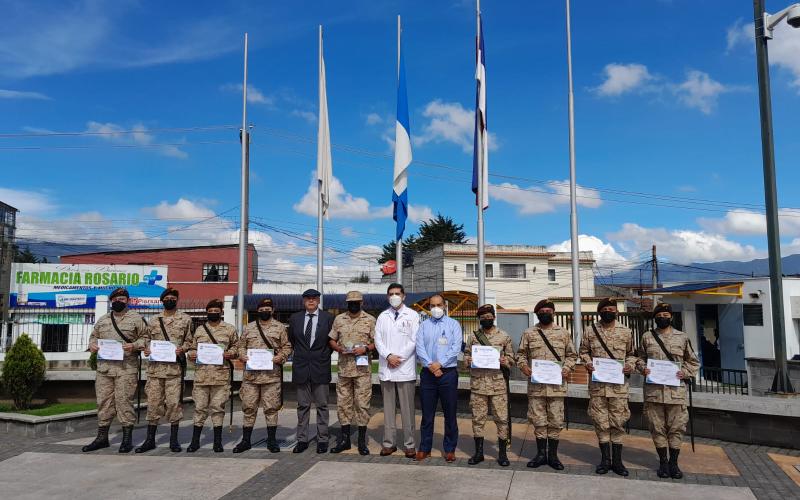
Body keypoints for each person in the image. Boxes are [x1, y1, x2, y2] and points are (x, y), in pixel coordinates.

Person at [637, 302, 700, 479]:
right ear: (655, 317)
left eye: (666, 315)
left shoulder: (682, 337)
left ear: (671, 317)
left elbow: (693, 361)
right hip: (654, 393)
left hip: (676, 393)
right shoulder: (647, 337)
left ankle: (674, 463)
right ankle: (663, 462)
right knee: (657, 429)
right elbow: (639, 359)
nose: (662, 318)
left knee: (676, 429)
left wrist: (684, 372)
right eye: (659, 315)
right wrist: (644, 369)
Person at [83, 288, 147, 453]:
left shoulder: (136, 318)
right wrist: (92, 344)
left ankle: (127, 439)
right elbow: (93, 336)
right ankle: (102, 438)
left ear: (128, 301)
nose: (119, 301)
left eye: (122, 299)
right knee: (104, 402)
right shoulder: (103, 319)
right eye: (116, 299)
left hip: (126, 369)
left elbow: (146, 338)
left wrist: (134, 345)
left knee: (124, 402)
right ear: (112, 301)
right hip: (105, 369)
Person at [516, 299, 577, 470]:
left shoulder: (563, 333)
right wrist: (524, 367)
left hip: (557, 387)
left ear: (553, 313)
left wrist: (566, 369)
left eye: (548, 311)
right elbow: (520, 354)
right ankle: (541, 454)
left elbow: (572, 355)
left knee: (556, 421)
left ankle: (553, 456)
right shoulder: (529, 333)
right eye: (542, 311)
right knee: (539, 420)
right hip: (537, 387)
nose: (545, 314)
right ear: (537, 314)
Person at [579, 298, 637, 476]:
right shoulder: (590, 330)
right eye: (605, 309)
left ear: (617, 312)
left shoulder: (626, 332)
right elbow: (583, 351)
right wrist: (588, 363)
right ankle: (605, 460)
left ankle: (618, 462)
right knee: (600, 422)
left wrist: (630, 365)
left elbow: (632, 354)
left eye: (611, 309)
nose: (608, 311)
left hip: (618, 388)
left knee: (618, 423)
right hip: (598, 387)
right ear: (599, 312)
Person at [136, 288, 192, 453]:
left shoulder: (185, 319)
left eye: (173, 298)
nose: (170, 300)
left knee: (174, 404)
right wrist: (146, 349)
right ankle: (150, 440)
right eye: (167, 298)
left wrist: (182, 349)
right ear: (162, 300)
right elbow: (146, 340)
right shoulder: (153, 320)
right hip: (155, 371)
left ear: (177, 300)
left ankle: (173, 440)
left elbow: (190, 340)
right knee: (153, 404)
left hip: (175, 371)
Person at [234, 297, 292, 454]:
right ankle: (246, 441)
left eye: (268, 309)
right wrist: (242, 356)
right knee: (248, 408)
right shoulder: (249, 328)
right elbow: (240, 346)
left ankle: (272, 441)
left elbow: (287, 347)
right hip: (251, 378)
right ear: (257, 311)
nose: (264, 311)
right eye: (262, 309)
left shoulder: (280, 327)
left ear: (272, 310)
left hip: (271, 377)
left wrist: (281, 357)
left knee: (271, 409)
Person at [463, 304, 515, 467]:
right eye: (483, 317)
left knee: (501, 419)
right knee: (478, 419)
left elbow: (512, 358)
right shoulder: (473, 337)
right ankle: (479, 453)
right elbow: (466, 355)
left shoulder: (504, 336)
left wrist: (505, 361)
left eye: (489, 316)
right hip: (478, 386)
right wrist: (468, 361)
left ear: (494, 317)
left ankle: (502, 454)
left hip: (498, 385)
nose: (486, 319)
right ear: (479, 319)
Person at [414, 294, 463, 462]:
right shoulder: (423, 326)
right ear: (429, 307)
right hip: (428, 374)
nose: (436, 308)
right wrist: (431, 365)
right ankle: (424, 448)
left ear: (445, 306)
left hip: (447, 374)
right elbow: (419, 347)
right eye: (432, 305)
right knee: (427, 414)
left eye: (439, 305)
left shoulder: (453, 325)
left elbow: (456, 347)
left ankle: (450, 449)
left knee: (450, 413)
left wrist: (440, 364)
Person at [374, 283, 420, 458]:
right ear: (387, 297)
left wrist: (398, 357)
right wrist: (388, 356)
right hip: (387, 368)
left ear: (404, 296)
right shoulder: (382, 316)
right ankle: (389, 443)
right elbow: (378, 340)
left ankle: (409, 444)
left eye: (397, 293)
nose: (394, 296)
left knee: (407, 410)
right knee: (388, 409)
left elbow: (414, 340)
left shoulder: (413, 315)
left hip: (404, 368)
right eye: (391, 294)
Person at [186, 299, 238, 453]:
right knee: (199, 408)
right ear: (206, 312)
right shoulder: (200, 330)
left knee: (217, 409)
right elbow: (191, 348)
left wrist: (231, 353)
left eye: (216, 311)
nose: (213, 314)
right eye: (210, 311)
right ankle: (195, 441)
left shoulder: (229, 329)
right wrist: (192, 354)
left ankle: (217, 442)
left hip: (221, 376)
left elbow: (237, 346)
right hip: (201, 376)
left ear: (221, 312)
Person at [328, 291, 376, 455]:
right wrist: (339, 348)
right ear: (346, 303)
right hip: (344, 370)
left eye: (356, 302)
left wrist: (366, 348)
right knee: (343, 405)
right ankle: (345, 440)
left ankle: (362, 441)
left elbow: (377, 342)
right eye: (350, 302)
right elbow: (332, 339)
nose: (353, 304)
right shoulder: (339, 319)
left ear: (362, 303)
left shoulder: (370, 320)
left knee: (362, 405)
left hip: (362, 371)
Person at [288, 289, 335, 454]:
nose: (311, 301)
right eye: (308, 298)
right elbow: (292, 341)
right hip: (301, 368)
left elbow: (331, 342)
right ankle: (302, 439)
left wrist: (320, 356)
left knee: (322, 405)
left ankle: (323, 439)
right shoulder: (295, 318)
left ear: (318, 301)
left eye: (314, 298)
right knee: (302, 406)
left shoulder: (328, 318)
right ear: (303, 301)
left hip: (320, 367)